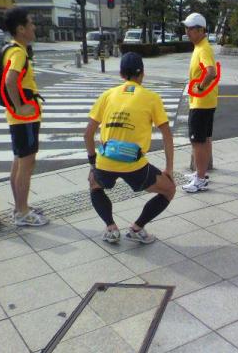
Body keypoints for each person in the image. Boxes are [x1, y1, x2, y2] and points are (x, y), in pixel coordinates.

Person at [84, 52, 175, 244]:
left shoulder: (107, 95)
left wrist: (93, 162)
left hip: (105, 160)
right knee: (169, 190)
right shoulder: (151, 98)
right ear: (142, 73)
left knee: (94, 184)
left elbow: (88, 134)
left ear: (120, 74)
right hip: (135, 165)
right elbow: (167, 135)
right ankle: (136, 228)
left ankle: (111, 228)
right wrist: (169, 169)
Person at [3, 8, 48, 226]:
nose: (34, 27)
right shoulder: (19, 52)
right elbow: (10, 81)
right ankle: (22, 212)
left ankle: (20, 207)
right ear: (21, 29)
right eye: (30, 24)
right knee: (26, 165)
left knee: (19, 163)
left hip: (17, 120)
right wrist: (20, 107)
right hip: (24, 119)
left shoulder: (11, 49)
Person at [182, 13, 218, 193]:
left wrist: (201, 88)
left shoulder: (203, 48)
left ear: (200, 30)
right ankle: (200, 173)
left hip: (201, 103)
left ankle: (200, 179)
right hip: (205, 103)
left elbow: (211, 72)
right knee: (204, 140)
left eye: (190, 28)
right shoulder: (201, 46)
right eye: (186, 28)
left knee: (198, 142)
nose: (187, 32)